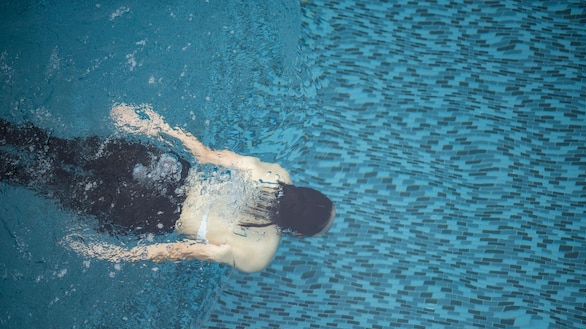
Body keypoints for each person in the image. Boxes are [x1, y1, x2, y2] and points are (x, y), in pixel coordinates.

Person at [0, 104, 335, 273]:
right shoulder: (256, 255)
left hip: (167, 170)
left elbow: (204, 154)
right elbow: (177, 251)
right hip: (152, 213)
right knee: (40, 178)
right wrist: (116, 254)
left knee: (56, 147)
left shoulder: (275, 173)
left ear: (304, 192)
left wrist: (151, 123)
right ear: (298, 233)